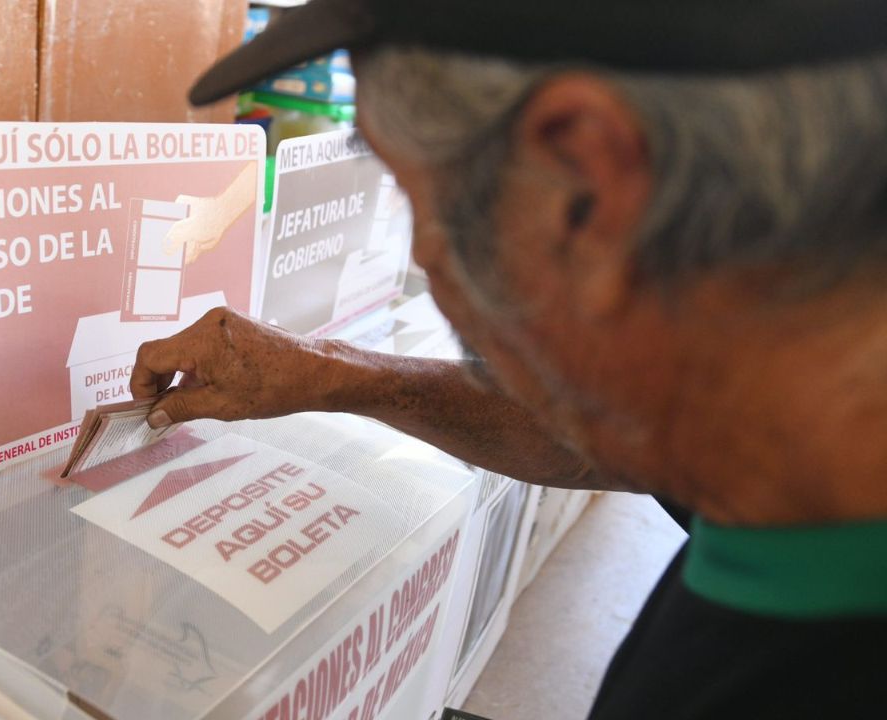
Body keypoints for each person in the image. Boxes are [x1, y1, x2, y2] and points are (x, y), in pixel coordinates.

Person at [130, 1, 887, 717]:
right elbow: (598, 430)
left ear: (584, 181)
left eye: (413, 193)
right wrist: (325, 370)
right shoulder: (757, 434)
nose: (425, 252)